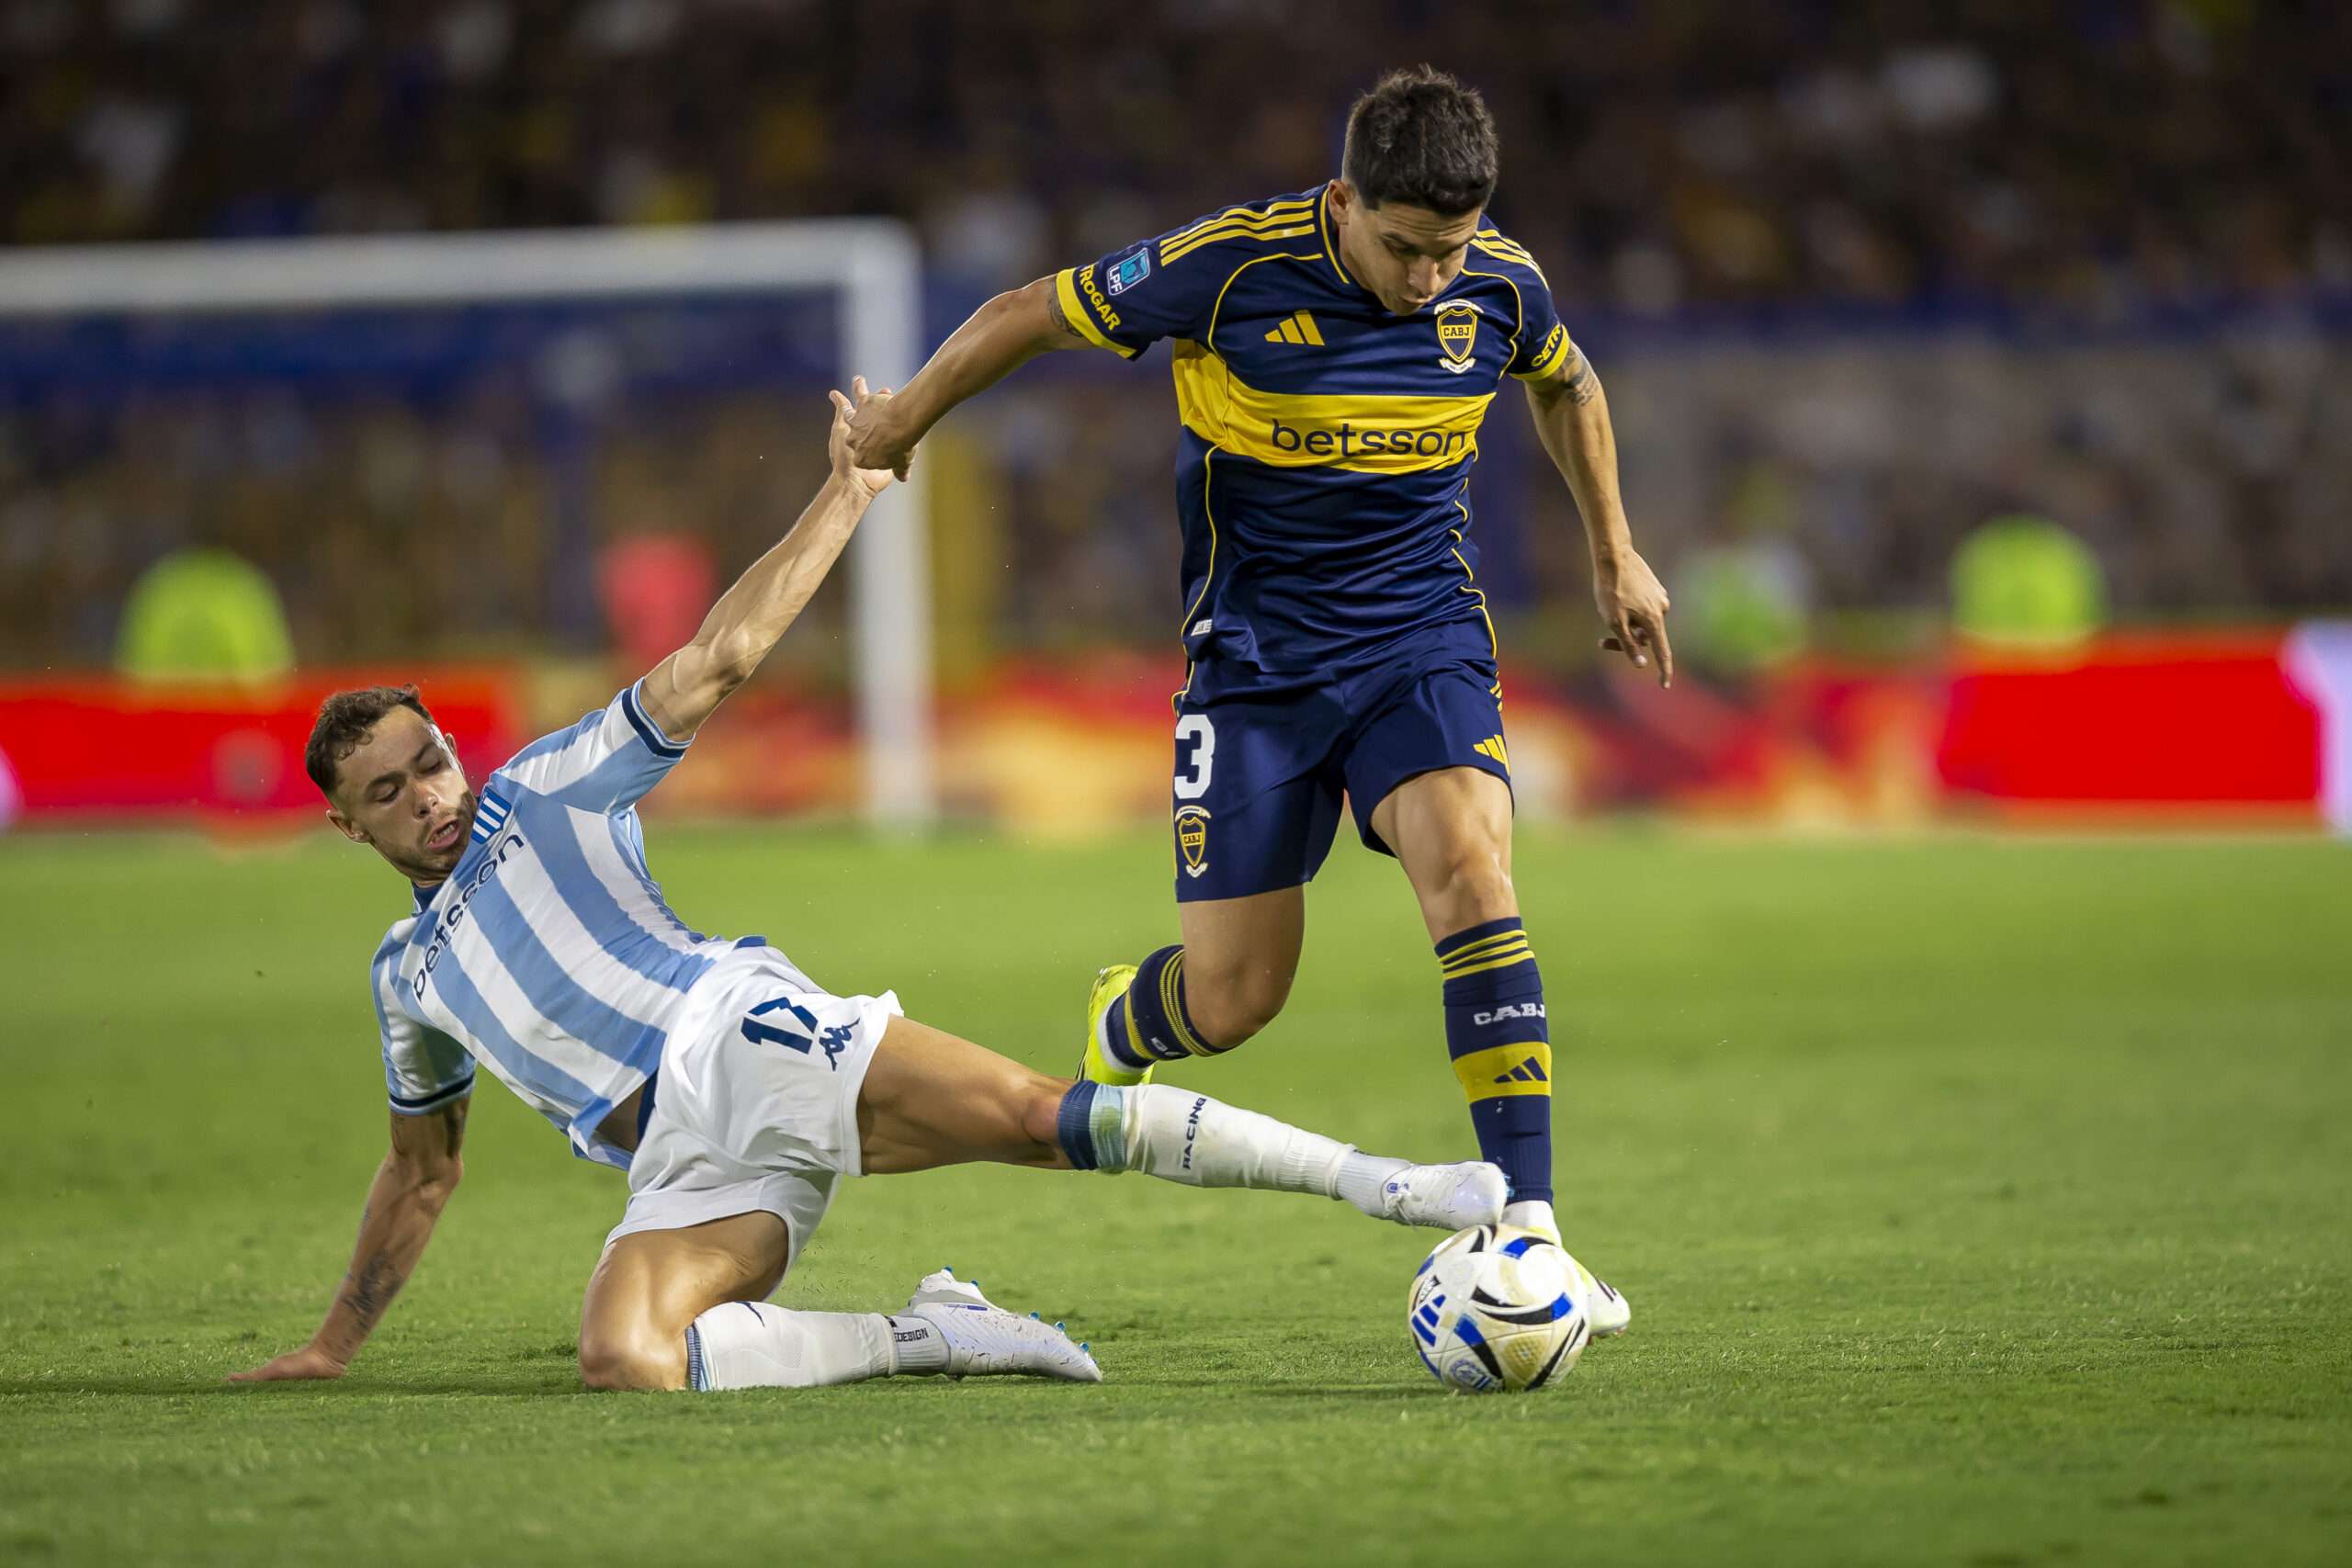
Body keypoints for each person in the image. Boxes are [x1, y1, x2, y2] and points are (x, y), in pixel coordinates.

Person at [229, 383, 1510, 1396]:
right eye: (392, 794)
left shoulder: (548, 786)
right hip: (679, 1166)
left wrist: (847, 490)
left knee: (1032, 1118)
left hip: (729, 1034)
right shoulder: (408, 983)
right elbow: (420, 1174)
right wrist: (337, 1342)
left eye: (431, 762)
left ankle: (1391, 1184)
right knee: (624, 1357)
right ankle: (939, 1335)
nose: (433, 796)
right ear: (347, 827)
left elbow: (720, 657)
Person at [844, 67, 1665, 1319]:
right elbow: (1028, 309)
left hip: (1418, 641)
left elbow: (1569, 381)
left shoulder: (1501, 284)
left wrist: (1614, 548)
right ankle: (1133, 1013)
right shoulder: (1229, 269)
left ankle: (1532, 1231)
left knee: (1474, 871)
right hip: (1254, 672)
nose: (1429, 278)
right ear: (1343, 201)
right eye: (1402, 247)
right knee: (1234, 998)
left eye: (1448, 250)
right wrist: (904, 416)